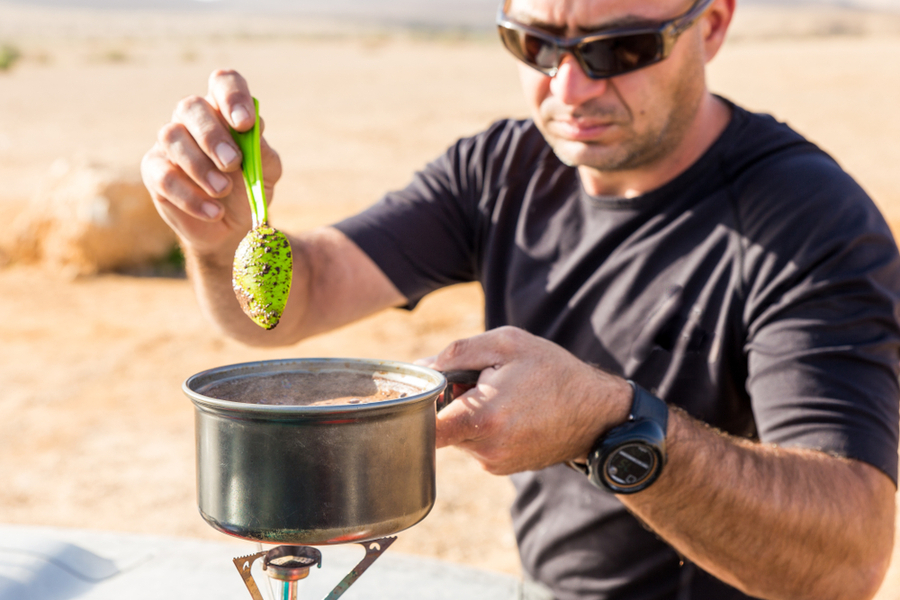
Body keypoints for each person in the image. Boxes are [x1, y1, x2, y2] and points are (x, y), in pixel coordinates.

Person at [141, 0, 900, 597]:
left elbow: (845, 564)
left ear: (713, 23)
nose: (569, 88)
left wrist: (607, 424)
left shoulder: (807, 219)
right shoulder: (501, 168)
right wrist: (222, 234)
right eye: (533, 44)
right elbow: (296, 302)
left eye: (620, 50)